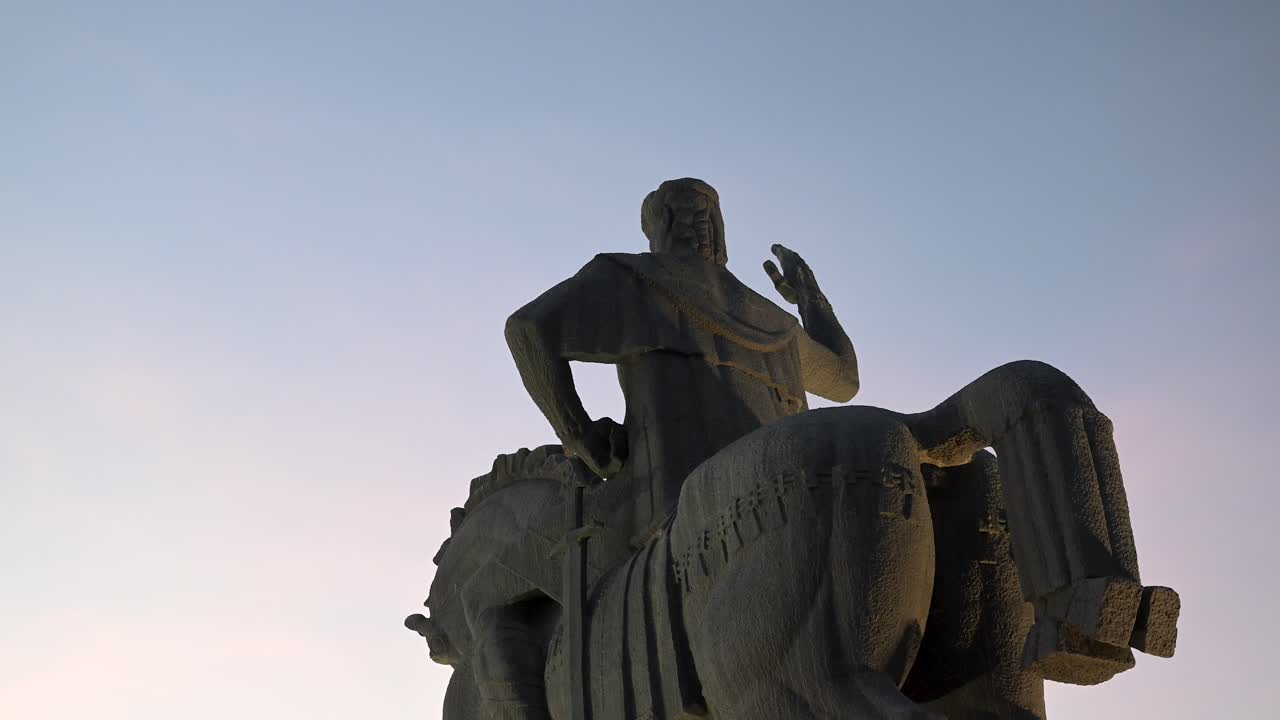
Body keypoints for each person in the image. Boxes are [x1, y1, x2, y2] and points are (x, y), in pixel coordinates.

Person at [505, 177, 859, 550]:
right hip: (793, 510)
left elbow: (527, 329)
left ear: (658, 227)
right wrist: (810, 298)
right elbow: (845, 377)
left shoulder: (630, 279)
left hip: (682, 525)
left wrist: (581, 436)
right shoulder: (775, 321)